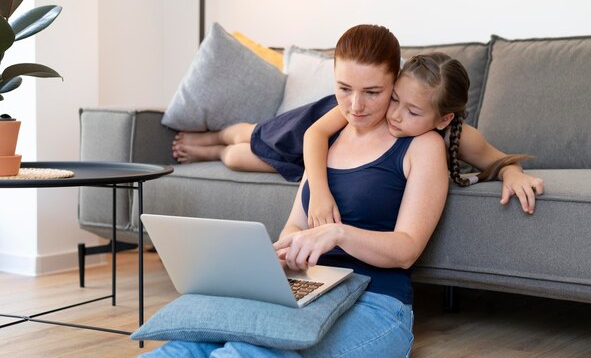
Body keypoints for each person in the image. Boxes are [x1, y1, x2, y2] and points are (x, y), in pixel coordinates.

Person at [147, 23, 447, 358]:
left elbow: (406, 249)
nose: (355, 106)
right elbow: (295, 224)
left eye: (372, 92)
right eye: (344, 88)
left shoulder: (422, 145)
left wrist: (337, 234)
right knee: (184, 348)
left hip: (375, 302)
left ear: (396, 85)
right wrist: (283, 252)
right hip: (309, 288)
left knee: (246, 354)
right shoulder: (326, 138)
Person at [171, 35, 543, 215]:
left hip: (336, 160)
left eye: (412, 112)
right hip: (313, 129)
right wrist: (318, 191)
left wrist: (512, 173)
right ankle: (216, 133)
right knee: (251, 137)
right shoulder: (362, 106)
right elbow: (316, 132)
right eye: (395, 99)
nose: (395, 115)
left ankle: (216, 149)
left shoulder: (452, 133)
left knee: (236, 159)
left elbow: (501, 160)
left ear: (444, 119)